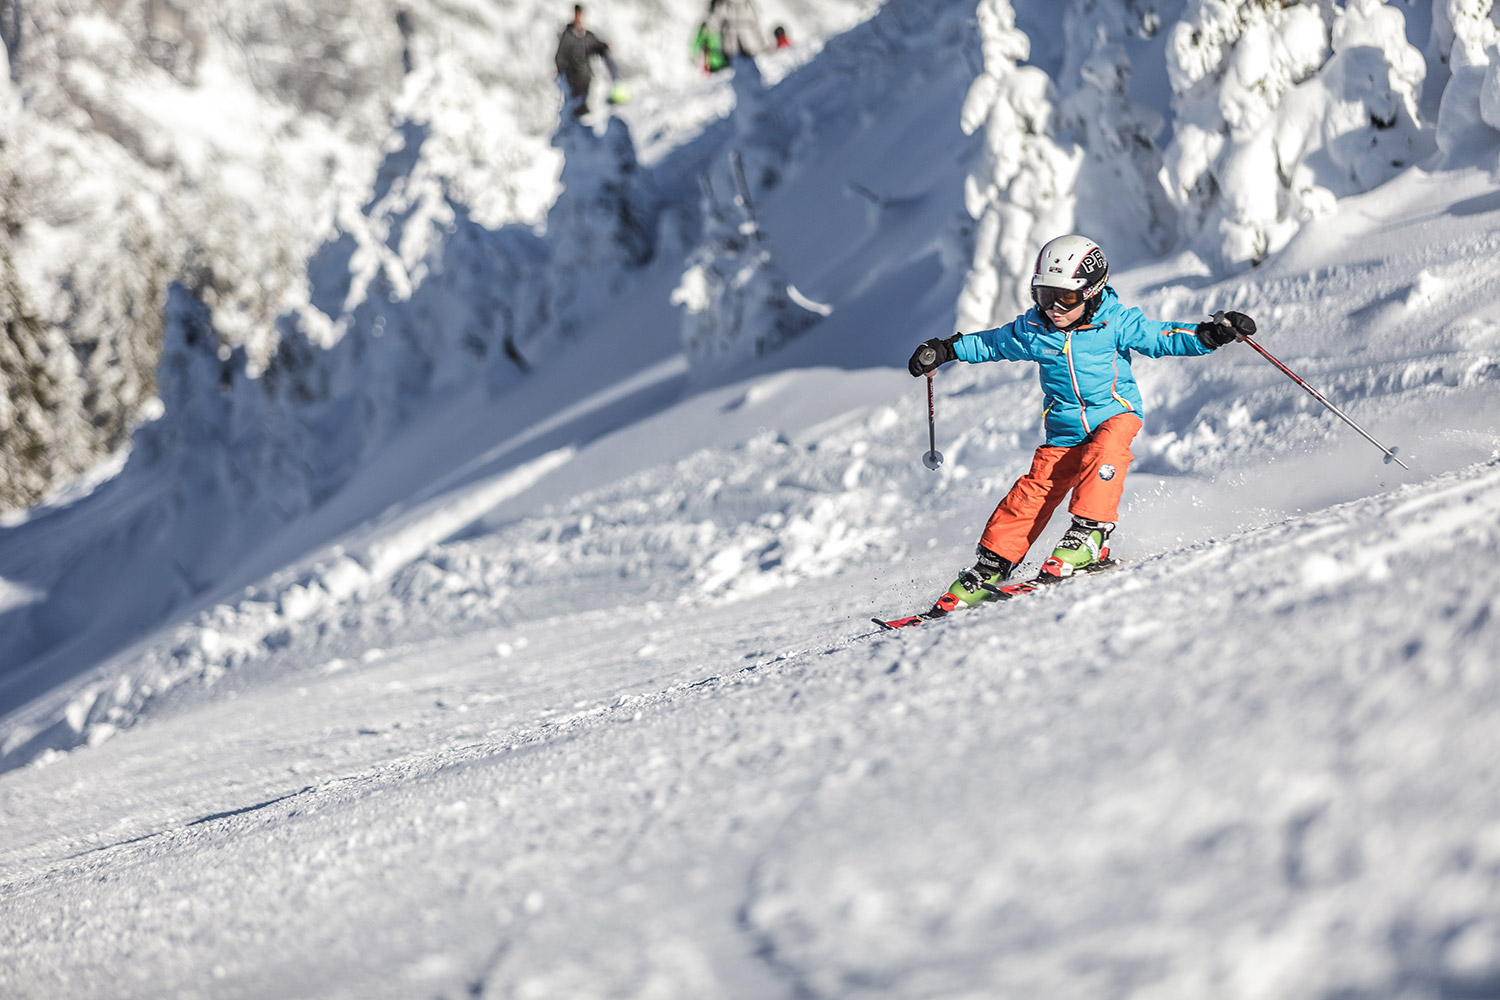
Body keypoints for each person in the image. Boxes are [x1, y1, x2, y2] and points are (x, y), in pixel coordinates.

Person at [906, 233, 1256, 615]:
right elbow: (991, 343)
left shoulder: (1116, 322)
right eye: (1043, 295)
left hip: (1115, 415)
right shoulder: (1033, 330)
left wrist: (1209, 335)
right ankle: (991, 565)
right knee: (1035, 488)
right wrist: (947, 348)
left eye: (1067, 298)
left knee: (1105, 451)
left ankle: (1090, 533)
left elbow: (1161, 337)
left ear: (1091, 292)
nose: (1054, 308)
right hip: (1064, 430)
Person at [555, 4, 618, 118]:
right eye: (577, 14)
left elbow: (596, 46)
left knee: (584, 106)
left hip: (586, 76)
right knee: (573, 104)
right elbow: (560, 56)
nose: (578, 17)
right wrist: (560, 71)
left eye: (580, 14)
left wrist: (605, 47)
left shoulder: (587, 36)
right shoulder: (567, 35)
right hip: (572, 77)